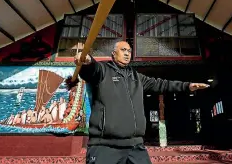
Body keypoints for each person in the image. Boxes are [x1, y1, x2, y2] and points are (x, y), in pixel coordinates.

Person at [75, 41, 210, 164]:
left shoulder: (137, 77)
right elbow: (90, 70)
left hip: (135, 147)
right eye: (123, 50)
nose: (127, 54)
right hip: (105, 146)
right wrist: (87, 61)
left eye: (129, 51)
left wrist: (187, 86)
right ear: (113, 54)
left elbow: (161, 84)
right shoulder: (103, 71)